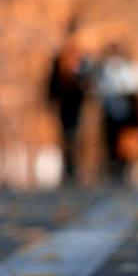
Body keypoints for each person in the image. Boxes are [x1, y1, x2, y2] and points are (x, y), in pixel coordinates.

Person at [94, 41, 138, 182]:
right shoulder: (105, 68)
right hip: (111, 112)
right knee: (112, 145)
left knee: (130, 144)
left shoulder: (132, 67)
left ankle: (129, 168)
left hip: (129, 109)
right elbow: (101, 88)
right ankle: (115, 170)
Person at [45, 20, 90, 182]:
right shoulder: (60, 58)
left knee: (74, 135)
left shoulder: (82, 58)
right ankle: (69, 167)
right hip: (65, 103)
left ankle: (73, 167)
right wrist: (51, 99)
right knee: (68, 135)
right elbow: (52, 81)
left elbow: (87, 81)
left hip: (76, 102)